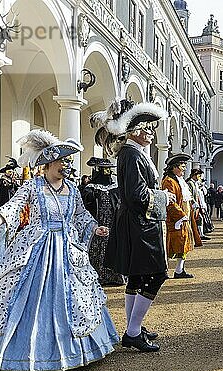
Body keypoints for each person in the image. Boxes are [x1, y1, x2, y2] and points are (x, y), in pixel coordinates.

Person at [0, 129, 117, 371]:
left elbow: (81, 216)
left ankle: (73, 350)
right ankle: (18, 354)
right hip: (36, 247)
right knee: (18, 295)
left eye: (67, 162)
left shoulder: (72, 190)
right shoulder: (32, 187)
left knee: (75, 297)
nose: (66, 166)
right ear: (48, 164)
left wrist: (95, 228)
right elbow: (11, 209)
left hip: (67, 250)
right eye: (62, 162)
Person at [93, 99, 173, 352]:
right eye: (147, 128)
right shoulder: (131, 154)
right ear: (134, 130)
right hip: (140, 224)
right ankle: (133, 331)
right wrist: (164, 197)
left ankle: (133, 327)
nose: (150, 133)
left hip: (138, 222)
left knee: (138, 277)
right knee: (156, 274)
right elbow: (136, 195)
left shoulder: (133, 153)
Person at [82, 157, 124, 286]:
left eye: (109, 169)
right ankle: (98, 275)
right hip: (97, 223)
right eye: (104, 169)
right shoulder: (90, 189)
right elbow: (86, 208)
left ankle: (115, 276)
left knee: (113, 247)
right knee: (97, 248)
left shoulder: (115, 187)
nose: (108, 172)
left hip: (113, 223)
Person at [162, 153, 196, 279]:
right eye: (182, 166)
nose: (184, 168)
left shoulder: (179, 180)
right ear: (174, 167)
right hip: (174, 219)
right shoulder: (169, 181)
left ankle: (179, 270)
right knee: (168, 246)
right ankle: (163, 271)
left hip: (183, 219)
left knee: (183, 245)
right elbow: (170, 202)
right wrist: (181, 215)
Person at [187, 168, 210, 241]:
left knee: (199, 219)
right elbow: (189, 194)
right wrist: (193, 202)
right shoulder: (190, 183)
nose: (200, 178)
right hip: (192, 205)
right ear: (194, 175)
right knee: (194, 219)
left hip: (197, 205)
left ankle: (200, 234)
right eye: (199, 175)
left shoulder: (195, 183)